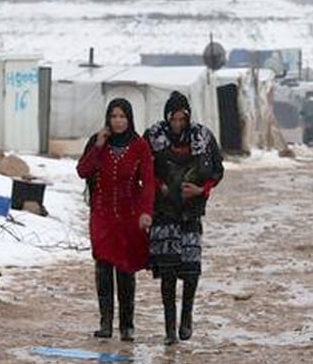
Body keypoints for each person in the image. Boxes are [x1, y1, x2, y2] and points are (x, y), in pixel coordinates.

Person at [144, 91, 224, 345]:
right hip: (164, 212)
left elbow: (217, 170)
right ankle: (169, 327)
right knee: (167, 272)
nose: (178, 123)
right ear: (167, 118)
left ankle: (186, 315)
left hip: (190, 212)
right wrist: (158, 185)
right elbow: (143, 169)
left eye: (182, 118)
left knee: (190, 270)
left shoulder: (202, 137)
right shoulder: (153, 136)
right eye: (174, 119)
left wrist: (201, 190)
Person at [76, 98, 155, 342]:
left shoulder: (139, 146)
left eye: (122, 117)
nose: (118, 121)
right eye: (114, 116)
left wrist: (146, 212)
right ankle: (105, 323)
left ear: (129, 119)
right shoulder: (98, 141)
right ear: (108, 119)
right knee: (103, 266)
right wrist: (99, 146)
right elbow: (83, 171)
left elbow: (148, 183)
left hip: (128, 215)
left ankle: (127, 325)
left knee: (125, 269)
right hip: (101, 214)